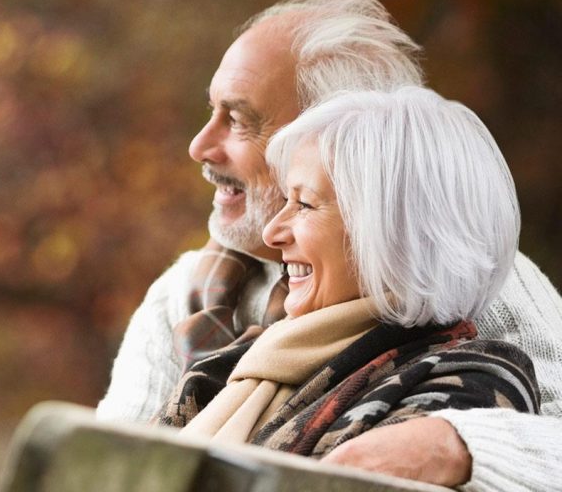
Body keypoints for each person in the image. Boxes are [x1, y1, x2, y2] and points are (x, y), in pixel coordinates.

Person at [96, 0, 562, 491]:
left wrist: (458, 446)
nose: (199, 146)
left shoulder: (465, 274)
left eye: (238, 120)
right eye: (210, 112)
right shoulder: (185, 293)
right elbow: (101, 467)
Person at [156, 86, 540, 461]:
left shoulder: (470, 383)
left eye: (305, 204)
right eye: (287, 199)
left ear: (396, 233)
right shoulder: (240, 360)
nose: (272, 232)